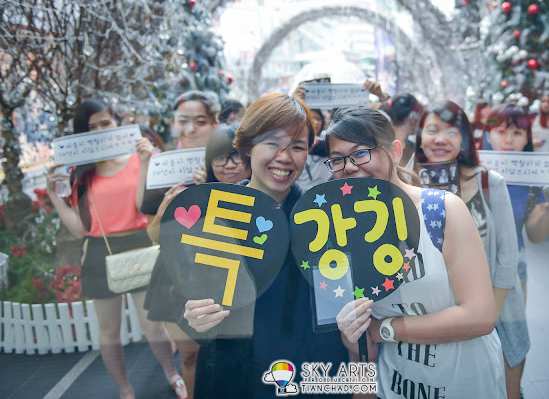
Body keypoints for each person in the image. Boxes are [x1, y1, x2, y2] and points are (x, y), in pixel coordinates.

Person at [327, 107, 506, 398]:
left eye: (361, 153)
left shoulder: (442, 210)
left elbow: (481, 316)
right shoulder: (338, 233)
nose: (348, 167)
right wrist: (354, 339)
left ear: (394, 151)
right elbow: (362, 350)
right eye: (337, 159)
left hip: (466, 385)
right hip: (392, 387)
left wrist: (385, 329)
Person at [181, 93, 349, 398]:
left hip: (308, 375)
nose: (284, 157)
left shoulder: (322, 221)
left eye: (297, 146)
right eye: (272, 143)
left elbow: (336, 311)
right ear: (248, 146)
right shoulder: (214, 218)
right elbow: (191, 298)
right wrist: (194, 315)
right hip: (234, 376)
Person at [46, 99, 183, 399]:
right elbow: (81, 229)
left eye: (105, 123)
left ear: (117, 121)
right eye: (91, 127)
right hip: (99, 249)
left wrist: (146, 162)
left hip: (140, 243)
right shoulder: (80, 173)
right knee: (109, 330)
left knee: (153, 325)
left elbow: (142, 205)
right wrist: (54, 197)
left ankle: (173, 375)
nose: (99, 131)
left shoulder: (141, 158)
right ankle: (124, 391)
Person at [415, 101, 521, 398]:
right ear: (419, 134)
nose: (440, 139)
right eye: (432, 130)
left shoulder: (489, 182)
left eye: (452, 131)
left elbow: (507, 256)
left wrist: (488, 317)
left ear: (465, 139)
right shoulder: (404, 183)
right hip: (426, 314)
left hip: (484, 315)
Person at [143, 122, 250, 398]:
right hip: (174, 281)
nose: (229, 164)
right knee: (190, 354)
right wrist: (166, 208)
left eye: (236, 155)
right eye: (219, 157)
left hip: (228, 284)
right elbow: (154, 234)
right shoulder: (190, 193)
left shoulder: (257, 194)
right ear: (209, 160)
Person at [484, 103, 549, 396]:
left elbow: (535, 235)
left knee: (514, 338)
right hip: (469, 266)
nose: (508, 139)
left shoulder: (532, 179)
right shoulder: (471, 172)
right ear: (487, 134)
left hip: (513, 269)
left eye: (517, 132)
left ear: (527, 138)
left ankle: (513, 392)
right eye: (500, 131)